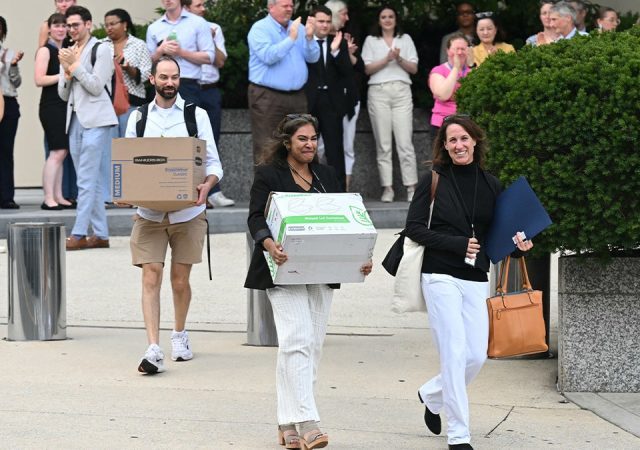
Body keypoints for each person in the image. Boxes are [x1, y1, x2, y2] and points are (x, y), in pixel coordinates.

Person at [405, 114, 533, 450]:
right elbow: (414, 228)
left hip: (475, 275)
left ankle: (432, 395)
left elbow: (497, 237)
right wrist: (456, 244)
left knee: (476, 355)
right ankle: (459, 435)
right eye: (452, 140)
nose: (459, 145)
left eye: (464, 138)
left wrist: (518, 247)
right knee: (453, 352)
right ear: (444, 146)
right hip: (439, 273)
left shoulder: (491, 184)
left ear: (475, 141)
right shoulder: (433, 180)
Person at [244, 113, 372, 449]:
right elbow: (255, 217)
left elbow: (346, 222)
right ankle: (308, 422)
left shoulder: (327, 175)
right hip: (282, 270)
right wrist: (269, 244)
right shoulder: (268, 174)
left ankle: (286, 422)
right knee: (297, 339)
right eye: (302, 138)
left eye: (313, 138)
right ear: (287, 141)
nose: (310, 144)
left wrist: (360, 256)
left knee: (306, 345)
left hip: (322, 271)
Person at [125, 56, 223, 375]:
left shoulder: (196, 115)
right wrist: (125, 191)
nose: (170, 82)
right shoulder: (139, 117)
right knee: (150, 273)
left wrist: (208, 185)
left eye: (175, 77)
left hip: (188, 213)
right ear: (152, 79)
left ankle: (179, 333)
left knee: (180, 281)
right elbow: (127, 162)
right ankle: (153, 348)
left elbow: (213, 163)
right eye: (164, 77)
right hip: (149, 213)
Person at [58, 6, 117, 250]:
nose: (71, 29)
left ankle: (79, 233)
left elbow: (95, 86)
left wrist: (75, 66)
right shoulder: (69, 51)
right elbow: (63, 94)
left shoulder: (101, 49)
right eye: (68, 25)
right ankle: (101, 235)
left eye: (76, 25)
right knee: (91, 180)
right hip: (74, 121)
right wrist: (67, 72)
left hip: (97, 120)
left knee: (85, 179)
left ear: (88, 24)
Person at [247, 0, 320, 164]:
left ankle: (298, 181)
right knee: (267, 146)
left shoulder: (299, 28)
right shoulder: (260, 29)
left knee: (301, 145)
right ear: (271, 7)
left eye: (291, 6)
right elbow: (268, 56)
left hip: (297, 96)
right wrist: (291, 38)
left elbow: (313, 58)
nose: (289, 9)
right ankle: (266, 182)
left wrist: (309, 38)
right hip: (267, 96)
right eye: (285, 6)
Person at [362, 5, 419, 203]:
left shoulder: (405, 39)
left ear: (396, 19)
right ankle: (387, 188)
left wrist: (399, 58)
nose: (387, 20)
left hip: (402, 91)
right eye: (383, 17)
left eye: (391, 16)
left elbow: (414, 68)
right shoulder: (371, 40)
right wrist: (387, 59)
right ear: (379, 21)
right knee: (383, 144)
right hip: (378, 92)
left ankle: (411, 187)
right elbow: (367, 69)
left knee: (405, 143)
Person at [182, 0, 236, 208]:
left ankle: (213, 191)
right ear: (187, 8)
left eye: (204, 5)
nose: (203, 9)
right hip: (188, 89)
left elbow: (220, 61)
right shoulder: (181, 30)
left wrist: (209, 39)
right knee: (189, 140)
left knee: (211, 140)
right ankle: (189, 190)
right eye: (198, 5)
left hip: (210, 90)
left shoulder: (214, 28)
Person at [304, 6, 352, 190]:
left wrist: (335, 52)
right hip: (309, 101)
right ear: (313, 21)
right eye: (321, 21)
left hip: (332, 102)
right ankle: (307, 189)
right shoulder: (304, 41)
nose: (324, 25)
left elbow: (347, 72)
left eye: (328, 21)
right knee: (306, 147)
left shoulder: (338, 42)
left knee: (335, 150)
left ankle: (339, 192)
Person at [35, 13, 74, 211]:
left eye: (64, 25)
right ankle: (48, 197)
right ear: (49, 29)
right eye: (56, 25)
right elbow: (39, 79)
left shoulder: (66, 50)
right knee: (57, 152)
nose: (61, 29)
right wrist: (63, 74)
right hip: (51, 106)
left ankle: (58, 196)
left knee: (62, 152)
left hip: (65, 105)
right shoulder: (45, 50)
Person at [325, 0, 364, 193]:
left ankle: (344, 190)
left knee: (346, 146)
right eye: (343, 13)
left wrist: (348, 53)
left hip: (347, 99)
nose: (346, 18)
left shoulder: (342, 39)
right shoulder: (317, 39)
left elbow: (357, 69)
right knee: (319, 146)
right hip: (325, 102)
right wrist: (335, 52)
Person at [146, 0, 216, 106]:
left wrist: (180, 52)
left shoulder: (198, 22)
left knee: (189, 116)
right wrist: (160, 50)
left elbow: (209, 57)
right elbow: (147, 63)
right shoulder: (154, 28)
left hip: (188, 84)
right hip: (160, 84)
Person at [428, 33, 471, 159]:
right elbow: (443, 95)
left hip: (467, 124)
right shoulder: (438, 71)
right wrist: (456, 68)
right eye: (456, 49)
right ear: (447, 51)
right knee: (442, 162)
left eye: (463, 49)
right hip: (442, 124)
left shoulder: (473, 72)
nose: (459, 52)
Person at [0, 16, 24, 210]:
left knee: (6, 151)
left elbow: (16, 82)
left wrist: (13, 65)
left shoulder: (8, 54)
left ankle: (6, 196)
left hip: (7, 103)